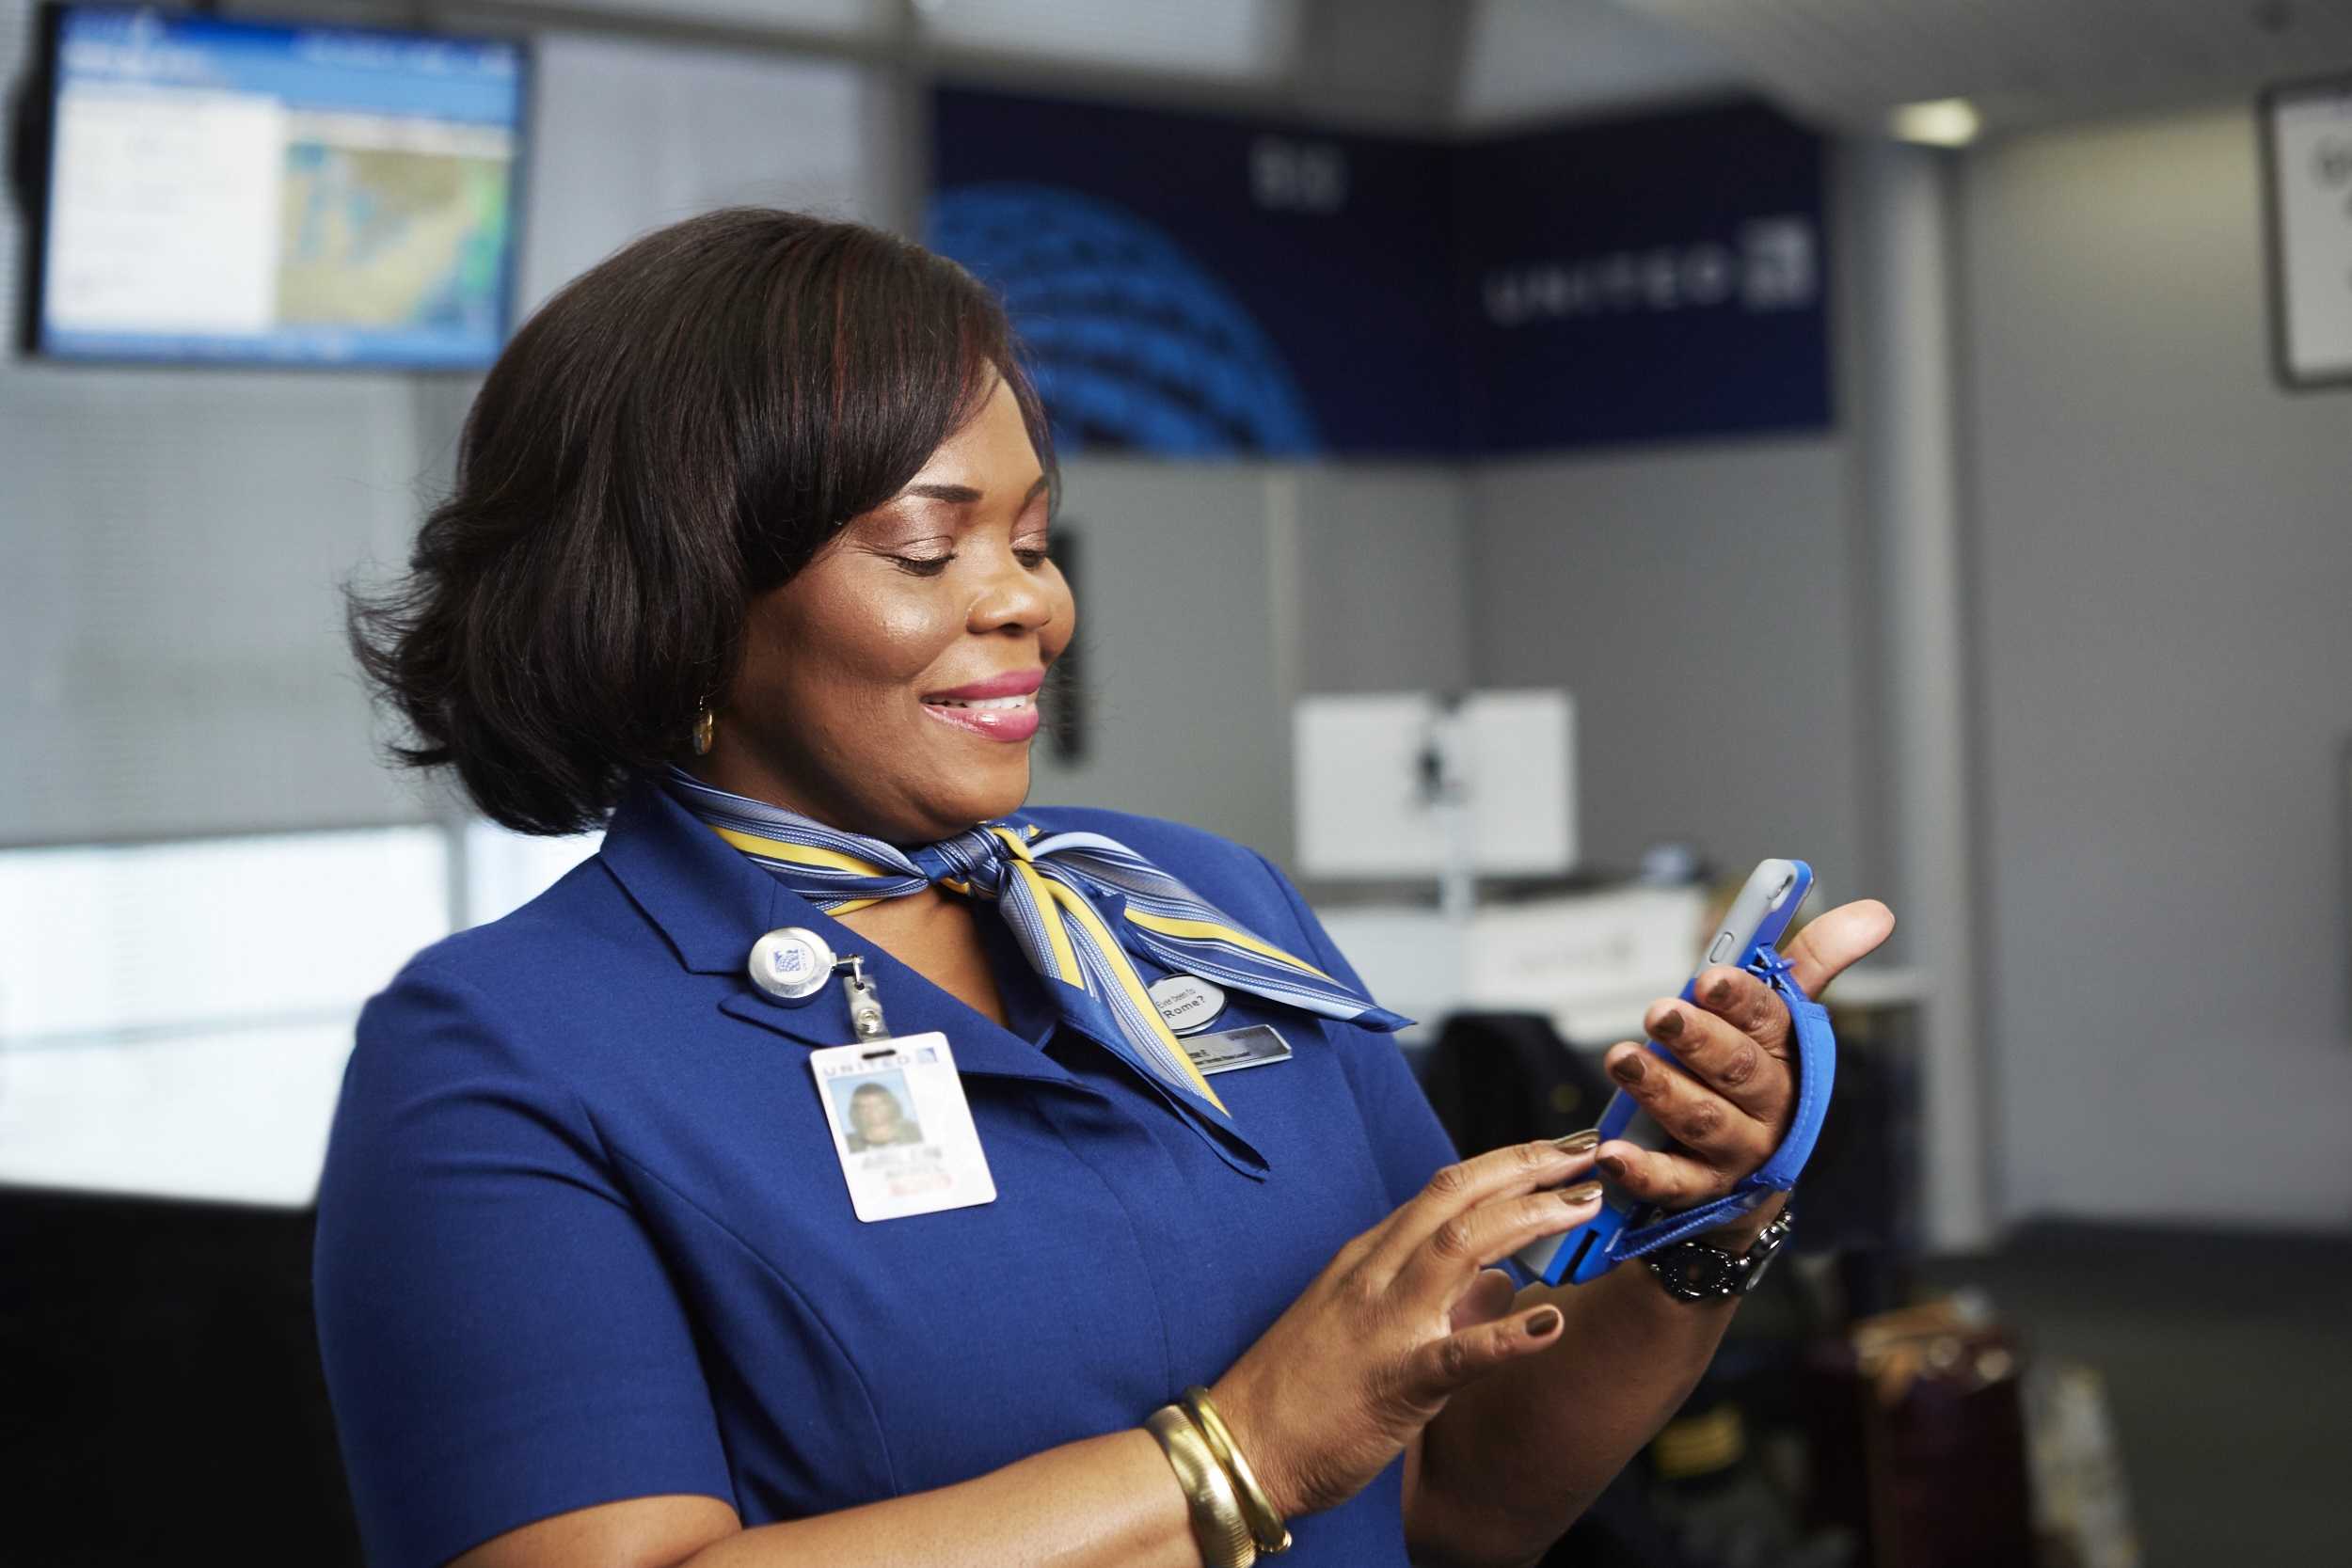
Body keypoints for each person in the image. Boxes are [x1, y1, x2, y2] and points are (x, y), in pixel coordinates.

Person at [319, 207, 1894, 1568]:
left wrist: (1703, 1215)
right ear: (674, 596)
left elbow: (1458, 1492)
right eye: (927, 551)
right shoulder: (506, 1053)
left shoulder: (1200, 904)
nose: (1031, 604)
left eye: (1031, 538)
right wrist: (1238, 1452)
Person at [842, 1082, 924, 1152]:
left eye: (878, 1104)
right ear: (856, 1111)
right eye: (864, 1106)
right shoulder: (846, 1143)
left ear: (892, 1105)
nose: (872, 1110)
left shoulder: (917, 1132)